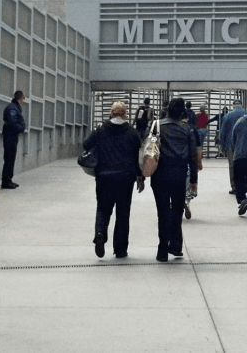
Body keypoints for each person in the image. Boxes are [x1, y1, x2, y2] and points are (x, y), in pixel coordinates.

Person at [82, 101, 145, 259]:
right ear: (125, 114)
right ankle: (121, 249)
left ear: (111, 113)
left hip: (104, 176)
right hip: (125, 178)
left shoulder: (101, 129)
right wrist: (140, 177)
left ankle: (100, 232)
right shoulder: (131, 132)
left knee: (103, 208)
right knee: (123, 212)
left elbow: (86, 144)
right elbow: (138, 156)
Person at [151, 98, 200, 262]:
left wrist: (141, 175)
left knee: (162, 212)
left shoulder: (157, 126)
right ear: (181, 113)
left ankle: (162, 250)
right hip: (179, 175)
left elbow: (147, 149)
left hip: (159, 175)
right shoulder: (188, 130)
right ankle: (175, 246)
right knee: (177, 211)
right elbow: (193, 156)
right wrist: (193, 178)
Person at [218, 100, 246, 195]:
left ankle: (234, 187)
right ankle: (243, 186)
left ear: (233, 106)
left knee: (232, 166)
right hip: (243, 144)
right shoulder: (246, 114)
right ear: (241, 105)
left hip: (230, 144)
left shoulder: (228, 116)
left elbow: (223, 131)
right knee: (243, 164)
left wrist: (221, 144)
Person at [1, 91, 26, 189]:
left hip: (11, 136)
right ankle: (6, 181)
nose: (23, 100)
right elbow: (12, 123)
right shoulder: (13, 108)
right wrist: (20, 128)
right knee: (9, 158)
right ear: (20, 98)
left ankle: (8, 180)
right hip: (10, 136)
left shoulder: (14, 107)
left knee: (10, 158)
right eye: (23, 98)